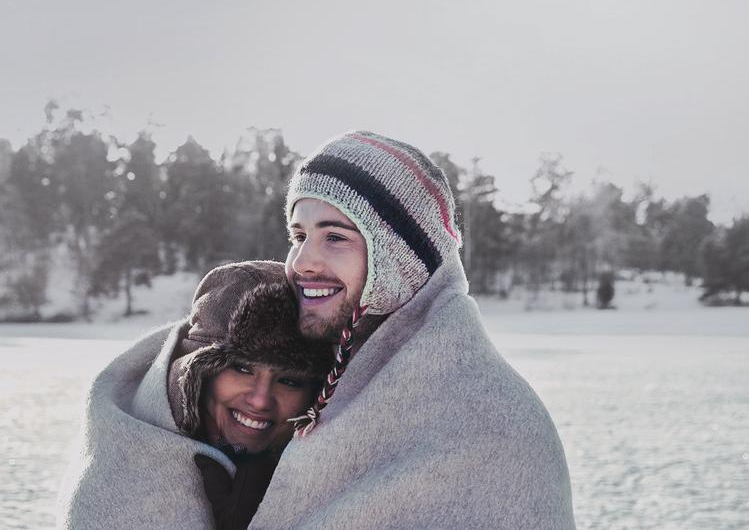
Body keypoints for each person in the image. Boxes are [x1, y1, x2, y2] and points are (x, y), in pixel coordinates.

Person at [243, 130, 577, 529]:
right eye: (298, 236)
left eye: (335, 237)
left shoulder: (488, 418)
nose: (301, 262)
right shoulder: (303, 370)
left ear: (399, 259)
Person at [57, 261, 330, 530]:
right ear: (196, 376)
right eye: (242, 368)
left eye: (289, 380)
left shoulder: (334, 481)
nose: (260, 400)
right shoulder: (119, 480)